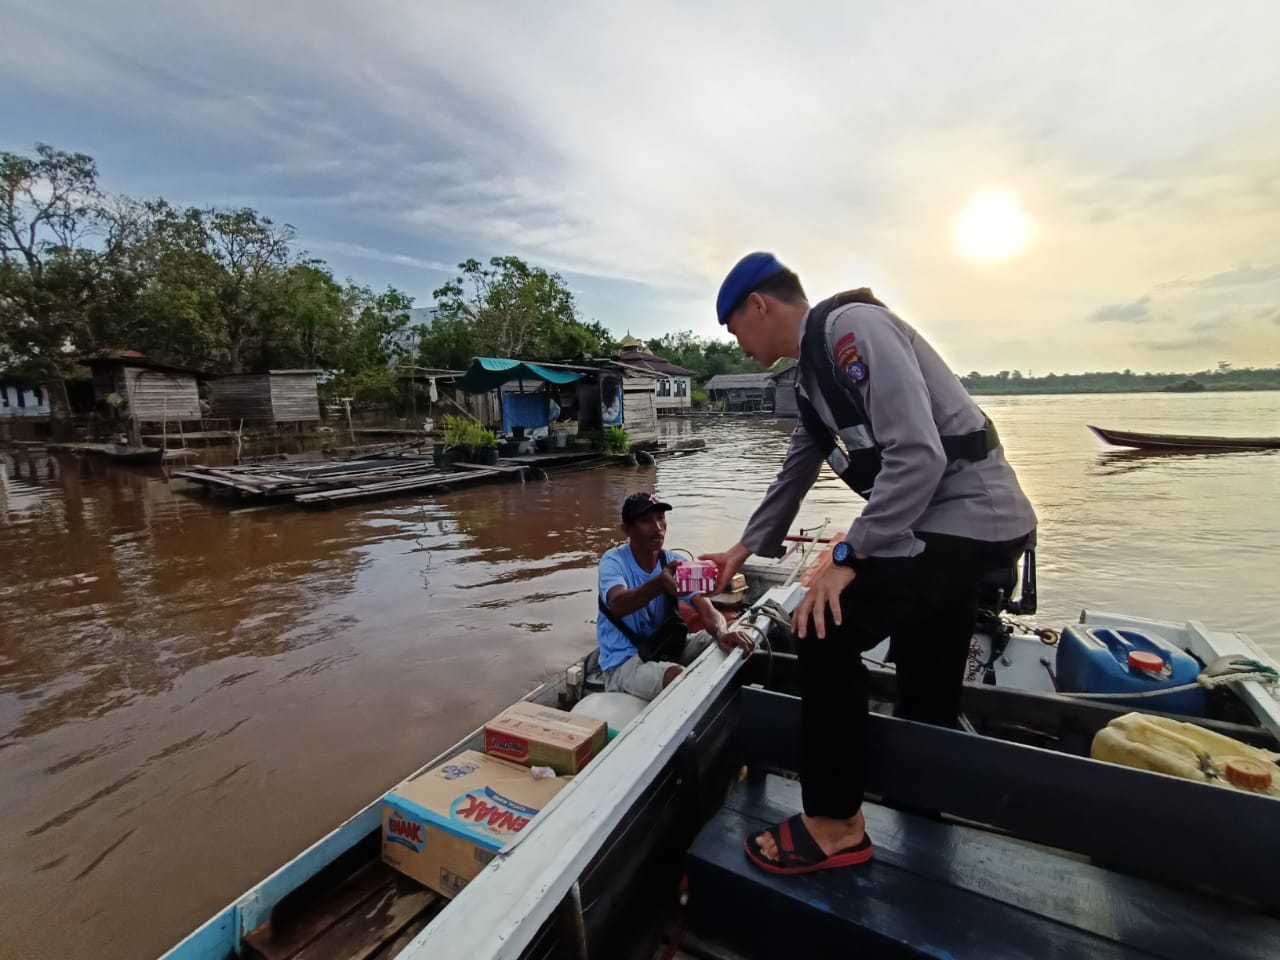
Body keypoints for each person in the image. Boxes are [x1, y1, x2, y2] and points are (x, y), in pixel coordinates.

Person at [700, 252, 1037, 875]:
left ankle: (835, 824)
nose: (735, 343)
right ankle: (922, 808)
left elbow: (918, 455)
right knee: (925, 675)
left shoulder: (854, 331)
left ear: (759, 305)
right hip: (942, 531)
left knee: (821, 625)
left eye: (733, 328)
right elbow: (793, 474)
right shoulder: (810, 383)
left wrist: (850, 553)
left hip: (970, 520)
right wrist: (741, 551)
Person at [598, 492, 754, 700]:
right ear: (626, 529)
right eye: (646, 520)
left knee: (726, 642)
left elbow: (706, 608)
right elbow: (617, 604)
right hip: (623, 662)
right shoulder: (613, 561)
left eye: (660, 517)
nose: (657, 526)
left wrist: (722, 632)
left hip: (662, 647)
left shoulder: (674, 562)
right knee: (676, 676)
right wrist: (660, 584)